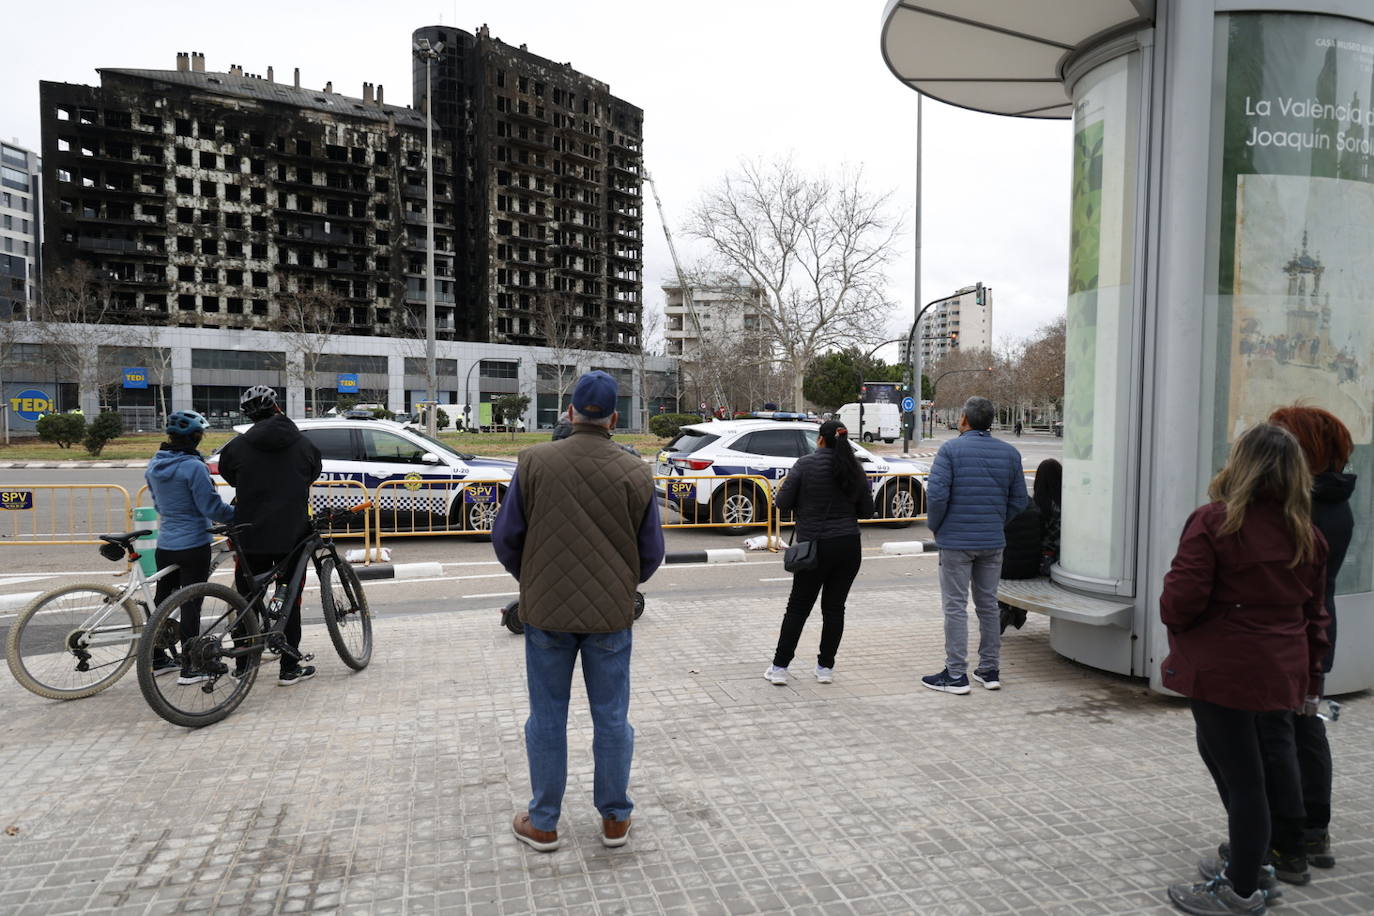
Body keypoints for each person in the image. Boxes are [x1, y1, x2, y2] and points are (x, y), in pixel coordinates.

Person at [493, 371, 665, 853]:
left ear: (568, 413)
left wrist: (533, 581)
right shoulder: (635, 471)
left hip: (544, 613)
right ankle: (615, 820)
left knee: (546, 717)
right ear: (614, 417)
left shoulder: (533, 462)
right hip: (611, 616)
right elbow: (651, 552)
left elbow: (506, 538)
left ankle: (544, 822)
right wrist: (620, 584)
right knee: (612, 718)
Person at [1161, 423, 1329, 916]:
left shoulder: (1216, 522)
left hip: (1223, 669)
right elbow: (1316, 615)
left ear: (1241, 465)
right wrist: (1312, 678)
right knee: (1235, 765)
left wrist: (1181, 621)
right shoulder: (1308, 535)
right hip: (1279, 667)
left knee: (1243, 777)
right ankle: (1250, 862)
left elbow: (1180, 601)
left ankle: (1243, 887)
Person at [1252, 406, 1356, 881]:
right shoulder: (1330, 499)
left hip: (1289, 638)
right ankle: (1312, 830)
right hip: (1314, 633)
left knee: (1283, 737)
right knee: (1305, 730)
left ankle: (1285, 838)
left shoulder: (1304, 506)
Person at [218, 385, 323, 686]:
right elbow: (313, 472)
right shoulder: (303, 445)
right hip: (293, 535)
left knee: (246, 600)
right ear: (278, 408)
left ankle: (242, 666)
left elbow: (230, 475)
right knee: (289, 598)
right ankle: (290, 667)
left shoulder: (236, 447)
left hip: (250, 535)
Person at [921, 396, 1027, 694]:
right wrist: (995, 521)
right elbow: (1019, 500)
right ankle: (989, 669)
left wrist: (936, 526)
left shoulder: (950, 450)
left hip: (955, 543)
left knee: (955, 607)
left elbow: (938, 497)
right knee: (988, 605)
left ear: (965, 419)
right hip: (993, 541)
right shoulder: (1009, 453)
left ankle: (956, 674)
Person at [764, 420, 874, 686]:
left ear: (821, 440)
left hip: (813, 547)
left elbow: (782, 502)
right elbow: (867, 511)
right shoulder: (855, 469)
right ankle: (825, 668)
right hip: (848, 546)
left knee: (799, 607)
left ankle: (779, 668)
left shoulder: (805, 464)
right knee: (835, 608)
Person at [144, 410, 236, 684]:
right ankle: (190, 666)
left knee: (163, 600)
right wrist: (236, 514)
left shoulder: (154, 464)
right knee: (191, 604)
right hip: (194, 544)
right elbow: (210, 507)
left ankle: (157, 658)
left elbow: (159, 505)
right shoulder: (194, 467)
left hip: (166, 543)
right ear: (195, 437)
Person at [997, 458, 1063, 633]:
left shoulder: (1036, 503)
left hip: (1036, 562)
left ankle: (1009, 610)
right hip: (1059, 563)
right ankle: (1011, 611)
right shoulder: (1066, 505)